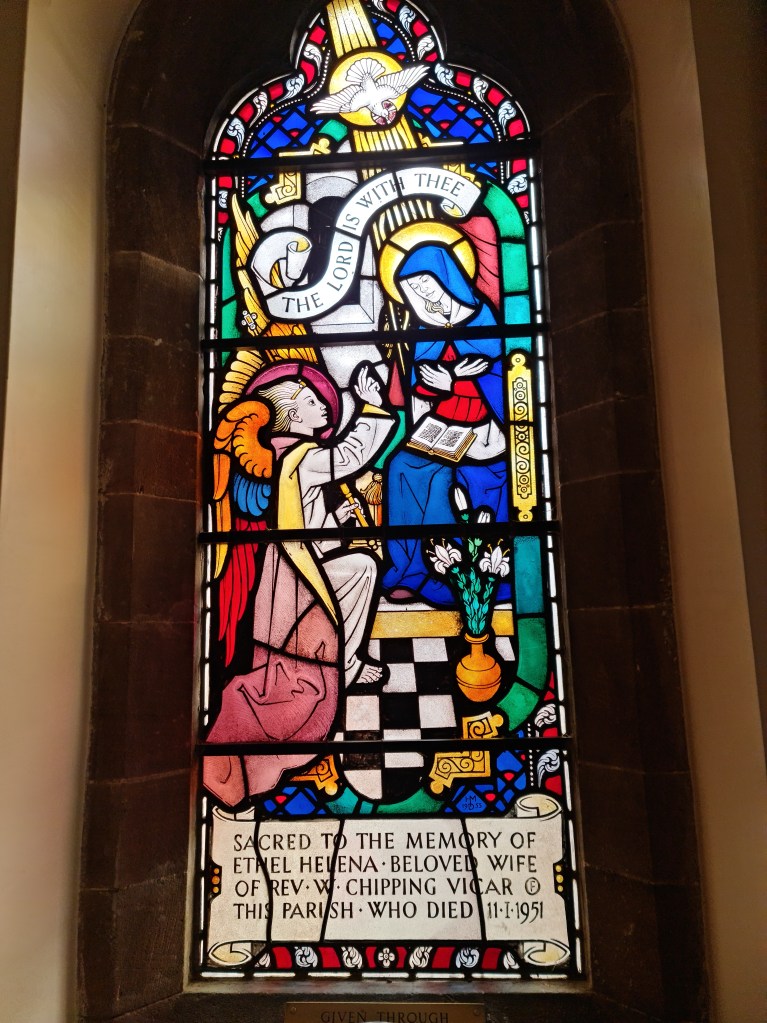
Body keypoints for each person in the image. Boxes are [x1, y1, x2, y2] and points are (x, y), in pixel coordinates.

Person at [204, 363, 395, 805]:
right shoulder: (300, 454)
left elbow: (304, 517)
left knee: (359, 568)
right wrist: (372, 407)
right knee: (363, 568)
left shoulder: (287, 455)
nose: (322, 406)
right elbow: (349, 456)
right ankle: (343, 664)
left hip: (296, 560)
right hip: (295, 571)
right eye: (310, 402)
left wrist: (339, 520)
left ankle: (345, 658)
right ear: (290, 414)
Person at [383, 244, 510, 605]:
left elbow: (506, 378)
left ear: (449, 281)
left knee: (457, 478)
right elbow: (417, 391)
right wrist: (435, 387)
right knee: (401, 467)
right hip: (440, 429)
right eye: (414, 295)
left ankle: (472, 574)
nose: (425, 301)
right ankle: (411, 571)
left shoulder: (486, 321)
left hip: (489, 432)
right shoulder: (425, 333)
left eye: (428, 289)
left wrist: (455, 382)